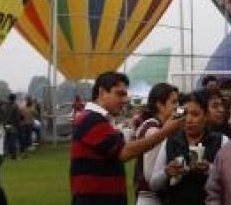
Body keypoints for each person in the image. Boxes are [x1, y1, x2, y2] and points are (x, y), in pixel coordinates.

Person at [70, 72, 184, 205]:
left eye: (125, 94)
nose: (125, 99)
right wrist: (165, 131)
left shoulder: (98, 119)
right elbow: (124, 152)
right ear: (101, 93)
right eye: (120, 94)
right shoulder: (92, 119)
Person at [150, 90, 228, 204]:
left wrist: (209, 169)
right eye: (185, 114)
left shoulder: (221, 141)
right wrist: (167, 172)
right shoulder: (170, 141)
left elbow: (230, 179)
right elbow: (153, 184)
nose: (189, 120)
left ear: (206, 116)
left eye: (195, 114)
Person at [134, 82, 179, 205]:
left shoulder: (154, 125)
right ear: (160, 104)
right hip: (150, 198)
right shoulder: (153, 129)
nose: (177, 107)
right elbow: (150, 177)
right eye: (173, 102)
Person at [1, 93, 22, 159]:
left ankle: (4, 154)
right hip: (13, 125)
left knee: (5, 141)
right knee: (13, 141)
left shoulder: (3, 106)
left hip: (5, 125)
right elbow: (17, 118)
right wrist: (19, 126)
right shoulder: (15, 106)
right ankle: (13, 155)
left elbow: (2, 116)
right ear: (14, 99)